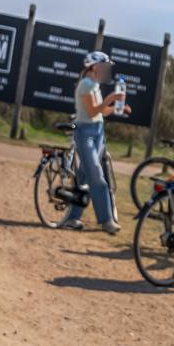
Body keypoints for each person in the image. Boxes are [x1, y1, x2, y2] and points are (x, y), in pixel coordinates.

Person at [57, 52, 128, 234]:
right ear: (95, 67)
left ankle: (72, 218)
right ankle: (106, 220)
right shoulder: (86, 84)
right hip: (86, 133)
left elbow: (101, 112)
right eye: (104, 67)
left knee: (84, 177)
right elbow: (91, 112)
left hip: (98, 132)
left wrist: (118, 108)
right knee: (97, 177)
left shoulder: (94, 85)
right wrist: (111, 98)